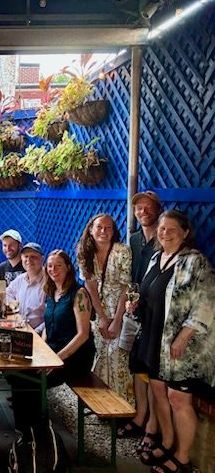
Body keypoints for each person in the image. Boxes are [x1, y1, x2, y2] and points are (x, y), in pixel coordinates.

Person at [130, 210, 214, 473]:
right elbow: (149, 294)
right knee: (158, 392)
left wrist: (184, 336)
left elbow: (207, 303)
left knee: (178, 399)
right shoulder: (157, 258)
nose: (164, 233)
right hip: (154, 338)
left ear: (185, 232)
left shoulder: (195, 262)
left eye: (172, 229)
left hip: (182, 346)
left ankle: (182, 459)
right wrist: (136, 305)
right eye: (161, 228)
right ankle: (167, 443)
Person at [11, 250, 95, 430]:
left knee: (31, 380)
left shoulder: (79, 294)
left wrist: (56, 359)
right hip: (53, 352)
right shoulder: (51, 292)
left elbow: (83, 335)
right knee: (17, 373)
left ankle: (41, 432)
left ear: (68, 267)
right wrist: (41, 350)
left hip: (75, 357)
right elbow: (48, 327)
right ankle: (24, 430)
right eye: (50, 266)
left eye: (58, 265)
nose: (53, 269)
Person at [118, 191, 163, 443]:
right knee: (135, 364)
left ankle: (153, 425)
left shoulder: (163, 238)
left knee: (151, 369)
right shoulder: (134, 239)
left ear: (158, 209)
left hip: (156, 313)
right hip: (134, 309)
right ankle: (139, 416)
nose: (142, 212)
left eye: (148, 207)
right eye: (138, 208)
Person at [76, 213, 132, 402]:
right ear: (91, 230)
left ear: (114, 231)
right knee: (101, 354)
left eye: (108, 227)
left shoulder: (122, 251)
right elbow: (90, 285)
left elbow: (126, 287)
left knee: (118, 357)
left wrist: (117, 320)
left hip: (120, 307)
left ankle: (123, 404)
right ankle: (103, 401)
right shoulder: (85, 252)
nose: (103, 231)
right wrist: (101, 316)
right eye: (99, 227)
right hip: (99, 308)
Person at [6, 242, 46, 334]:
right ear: (21, 258)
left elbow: (51, 319)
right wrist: (13, 306)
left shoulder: (48, 283)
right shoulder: (21, 279)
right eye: (26, 256)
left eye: (33, 257)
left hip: (38, 335)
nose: (29, 260)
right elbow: (7, 293)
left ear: (42, 259)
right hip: (18, 329)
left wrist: (34, 333)